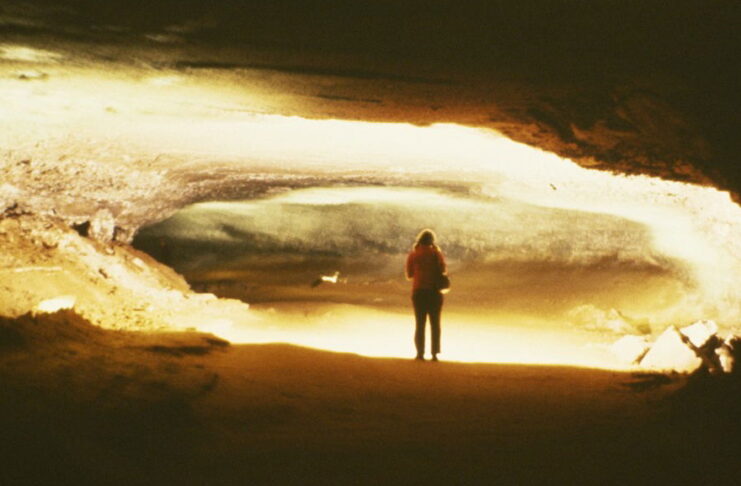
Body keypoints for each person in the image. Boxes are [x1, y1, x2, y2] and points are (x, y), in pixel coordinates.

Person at [405, 229, 447, 361]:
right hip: (434, 293)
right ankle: (434, 354)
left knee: (420, 324)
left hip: (419, 292)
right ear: (432, 241)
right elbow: (443, 270)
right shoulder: (436, 254)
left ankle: (420, 354)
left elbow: (410, 275)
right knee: (435, 324)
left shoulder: (413, 254)